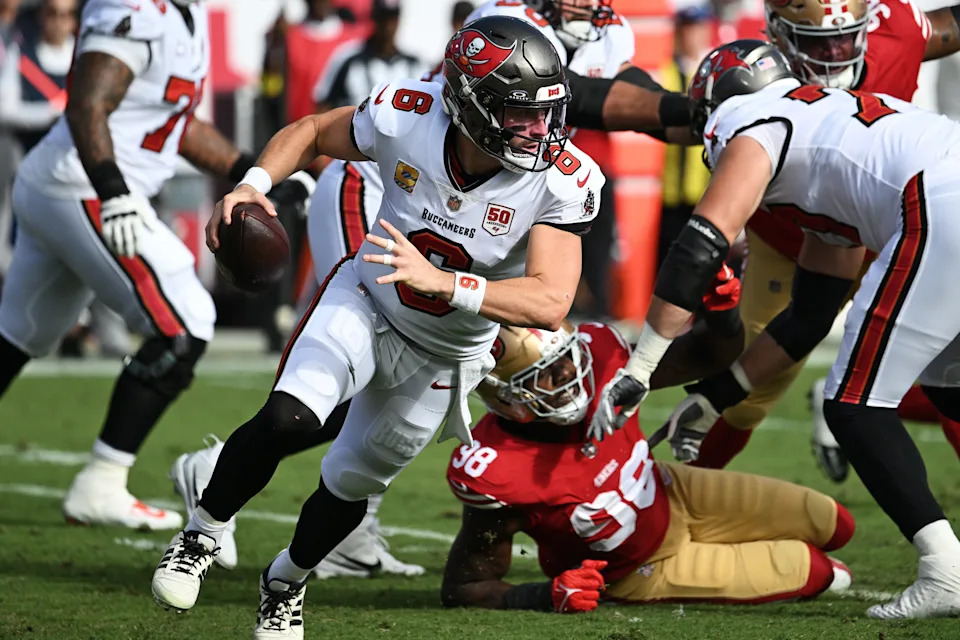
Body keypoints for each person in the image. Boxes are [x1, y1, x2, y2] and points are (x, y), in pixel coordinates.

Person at [151, 16, 605, 638]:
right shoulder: (407, 114)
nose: (539, 130)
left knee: (350, 483)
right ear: (470, 105)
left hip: (447, 354)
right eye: (520, 114)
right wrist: (254, 185)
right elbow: (314, 131)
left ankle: (284, 583)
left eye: (544, 112)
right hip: (368, 302)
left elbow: (550, 298)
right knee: (290, 416)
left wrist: (445, 283)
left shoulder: (560, 178)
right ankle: (200, 536)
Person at [592, 39, 960, 619]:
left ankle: (945, 571)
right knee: (951, 389)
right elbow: (807, 317)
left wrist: (640, 368)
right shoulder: (824, 138)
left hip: (939, 199)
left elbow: (699, 247)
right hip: (944, 184)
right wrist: (717, 396)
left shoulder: (752, 119)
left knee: (854, 405)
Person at [0, 0, 304, 533]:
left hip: (63, 184)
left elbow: (173, 123)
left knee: (16, 336)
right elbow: (86, 104)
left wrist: (252, 173)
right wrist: (114, 192)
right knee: (185, 322)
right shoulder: (135, 8)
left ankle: (102, 481)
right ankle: (102, 481)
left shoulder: (184, 14)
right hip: (89, 186)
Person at [687, 0, 960, 479]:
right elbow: (678, 118)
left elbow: (944, 28)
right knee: (747, 393)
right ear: (778, 34)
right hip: (791, 243)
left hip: (902, 227)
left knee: (948, 372)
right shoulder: (752, 75)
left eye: (844, 38)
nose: (834, 54)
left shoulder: (896, 31)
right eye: (816, 43)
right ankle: (666, 502)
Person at [442, 317, 854, 611]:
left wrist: (722, 310)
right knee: (823, 573)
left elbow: (708, 354)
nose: (569, 373)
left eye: (567, 356)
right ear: (506, 396)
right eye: (546, 372)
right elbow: (466, 585)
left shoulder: (602, 360)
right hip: (639, 568)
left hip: (674, 491)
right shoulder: (497, 470)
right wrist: (544, 595)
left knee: (836, 523)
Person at [313, 0, 422, 113]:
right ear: (373, 19)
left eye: (392, 20)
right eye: (382, 19)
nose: (387, 26)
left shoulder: (414, 65)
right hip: (353, 123)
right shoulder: (347, 58)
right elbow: (323, 104)